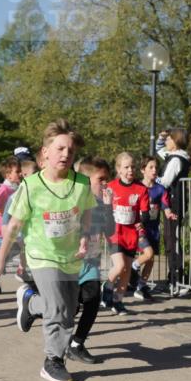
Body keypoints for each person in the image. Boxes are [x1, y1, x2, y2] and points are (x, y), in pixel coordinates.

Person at [0, 119, 95, 381]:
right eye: (59, 148)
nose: (66, 154)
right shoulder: (31, 185)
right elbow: (14, 224)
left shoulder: (82, 183)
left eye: (70, 150)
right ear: (45, 153)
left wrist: (84, 239)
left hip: (70, 256)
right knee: (58, 307)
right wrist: (1, 256)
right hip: (40, 253)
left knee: (69, 310)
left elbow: (87, 216)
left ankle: (29, 303)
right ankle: (53, 361)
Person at [67, 156, 116, 365]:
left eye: (107, 179)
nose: (106, 184)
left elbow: (110, 230)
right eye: (101, 179)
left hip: (91, 263)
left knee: (93, 298)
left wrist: (108, 207)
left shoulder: (100, 203)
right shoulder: (74, 202)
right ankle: (62, 341)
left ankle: (77, 343)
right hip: (70, 264)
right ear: (86, 181)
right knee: (71, 307)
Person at [102, 151, 149, 316]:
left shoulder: (141, 189)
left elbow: (145, 213)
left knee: (127, 270)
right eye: (126, 167)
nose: (130, 170)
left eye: (132, 166)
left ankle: (118, 301)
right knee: (120, 266)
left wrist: (142, 222)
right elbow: (104, 209)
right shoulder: (111, 187)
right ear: (119, 169)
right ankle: (107, 286)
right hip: (115, 233)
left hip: (131, 234)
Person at [156, 128, 191, 297]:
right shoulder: (174, 156)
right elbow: (159, 150)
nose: (167, 142)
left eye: (169, 139)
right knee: (170, 239)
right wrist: (161, 137)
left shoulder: (177, 160)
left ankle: (178, 280)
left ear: (176, 141)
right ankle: (173, 279)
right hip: (172, 203)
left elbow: (165, 181)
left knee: (173, 240)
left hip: (175, 204)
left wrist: (150, 179)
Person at [131, 155, 165, 301]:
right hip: (140, 227)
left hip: (153, 228)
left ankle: (141, 286)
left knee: (151, 260)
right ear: (142, 170)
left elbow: (165, 204)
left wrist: (169, 212)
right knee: (148, 254)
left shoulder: (160, 189)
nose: (154, 170)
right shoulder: (137, 187)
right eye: (150, 167)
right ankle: (134, 265)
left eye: (156, 167)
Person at [0, 156, 23, 294]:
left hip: (10, 230)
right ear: (8, 175)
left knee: (6, 254)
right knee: (0, 258)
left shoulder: (16, 187)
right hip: (0, 231)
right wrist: (6, 214)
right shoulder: (4, 189)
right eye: (17, 171)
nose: (20, 173)